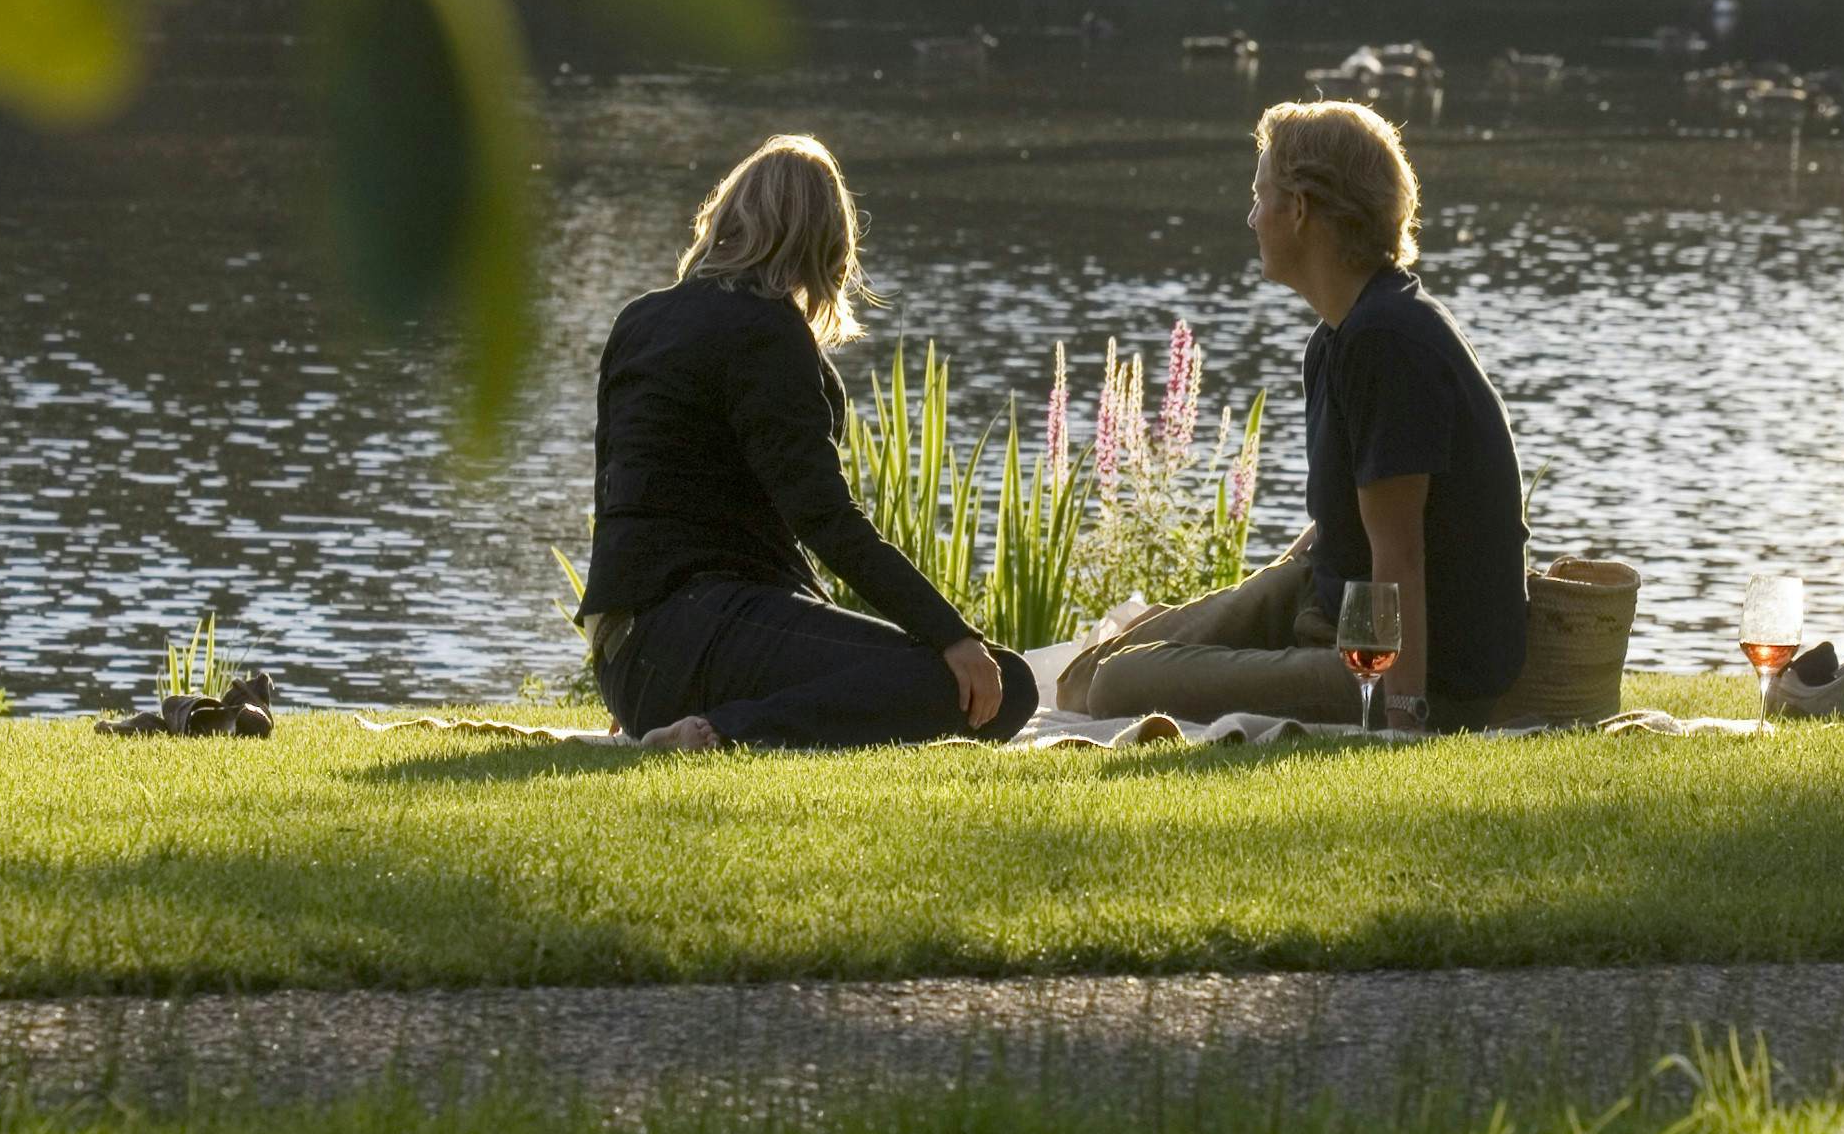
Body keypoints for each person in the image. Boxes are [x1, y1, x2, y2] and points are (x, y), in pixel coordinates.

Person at [1075, 101, 1530, 729]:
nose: (1251, 216)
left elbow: (1400, 555)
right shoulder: (1340, 335)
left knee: (1115, 687)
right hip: (1331, 601)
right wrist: (1264, 595)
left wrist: (1402, 716)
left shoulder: (1389, 340)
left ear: (1300, 208)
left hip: (1408, 664)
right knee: (1088, 674)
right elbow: (1343, 520)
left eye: (1261, 196)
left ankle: (1328, 677)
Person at [581, 134, 1036, 751]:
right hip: (697, 630)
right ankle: (721, 734)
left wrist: (638, 676)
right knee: (1000, 683)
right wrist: (952, 634)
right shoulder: (766, 330)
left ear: (727, 219)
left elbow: (616, 499)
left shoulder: (639, 318)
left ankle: (688, 720)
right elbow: (824, 518)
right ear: (827, 244)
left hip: (628, 658)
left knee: (900, 664)